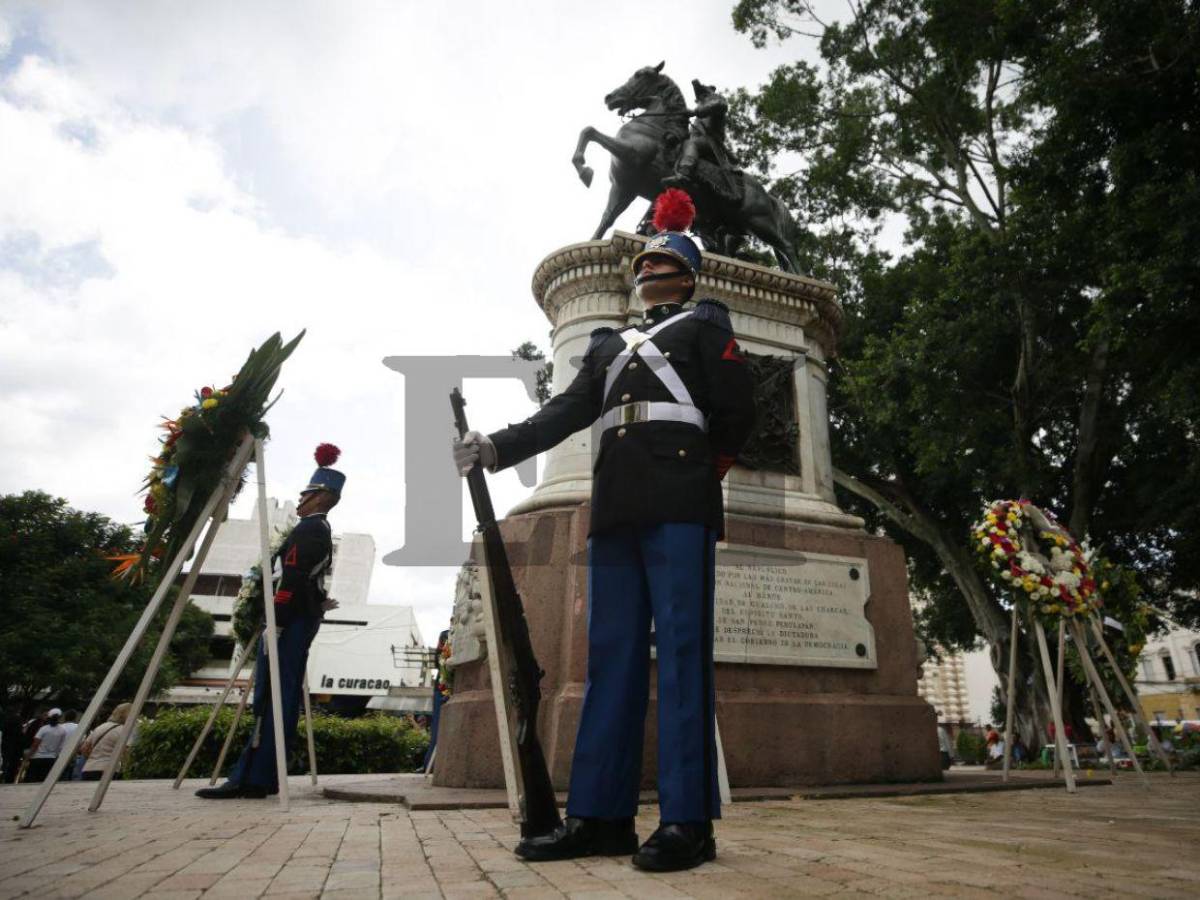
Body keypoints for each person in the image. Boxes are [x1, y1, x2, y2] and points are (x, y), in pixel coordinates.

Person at [453, 189, 756, 872]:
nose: (648, 270)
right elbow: (561, 413)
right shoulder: (608, 343)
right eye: (643, 262)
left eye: (662, 261)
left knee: (681, 656)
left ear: (686, 272)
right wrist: (495, 448)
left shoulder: (707, 325)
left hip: (681, 496)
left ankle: (687, 821)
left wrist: (702, 477)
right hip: (616, 503)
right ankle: (600, 815)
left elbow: (738, 409)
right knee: (610, 659)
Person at [196, 444, 344, 799]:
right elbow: (305, 578)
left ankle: (254, 777)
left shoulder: (311, 529)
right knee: (277, 695)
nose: (301, 498)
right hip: (296, 618)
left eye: (307, 494)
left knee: (273, 696)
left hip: (288, 620)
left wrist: (276, 619)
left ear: (322, 496)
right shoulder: (314, 529)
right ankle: (258, 775)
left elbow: (291, 578)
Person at [79, 703, 133, 781]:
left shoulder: (100, 727)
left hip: (89, 769)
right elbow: (126, 752)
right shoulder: (124, 730)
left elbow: (84, 748)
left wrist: (94, 758)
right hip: (109, 770)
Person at [25, 708, 67, 783]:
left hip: (38, 757)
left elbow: (35, 744)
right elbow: (61, 746)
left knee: (32, 780)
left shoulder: (43, 729)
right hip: (51, 758)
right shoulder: (62, 730)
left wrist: (28, 756)